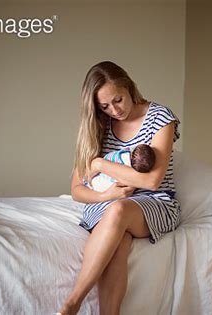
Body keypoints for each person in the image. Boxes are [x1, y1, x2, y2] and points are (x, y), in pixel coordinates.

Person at [60, 61, 181, 315]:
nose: (114, 110)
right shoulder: (99, 125)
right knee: (119, 240)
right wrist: (105, 194)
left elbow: (151, 181)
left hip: (155, 202)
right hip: (107, 202)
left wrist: (101, 164)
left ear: (127, 86)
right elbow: (76, 190)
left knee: (118, 211)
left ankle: (72, 304)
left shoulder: (160, 118)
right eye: (105, 106)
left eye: (118, 100)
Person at [88, 144, 156, 192]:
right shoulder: (125, 155)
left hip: (105, 182)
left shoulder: (125, 157)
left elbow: (151, 183)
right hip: (99, 175)